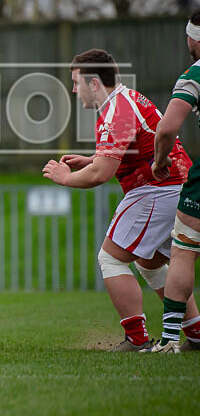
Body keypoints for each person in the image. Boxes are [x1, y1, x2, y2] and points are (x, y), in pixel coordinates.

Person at [43, 47, 200, 352]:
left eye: (76, 83)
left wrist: (65, 178)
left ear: (93, 83)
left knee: (111, 258)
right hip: (171, 187)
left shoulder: (117, 110)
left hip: (157, 189)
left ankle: (137, 340)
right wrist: (91, 159)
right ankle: (195, 332)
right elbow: (133, 148)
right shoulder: (125, 100)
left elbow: (101, 174)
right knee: (149, 261)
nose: (74, 91)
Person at [150, 10, 200, 353]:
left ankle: (169, 339)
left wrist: (159, 160)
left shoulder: (195, 73)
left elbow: (167, 128)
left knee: (183, 251)